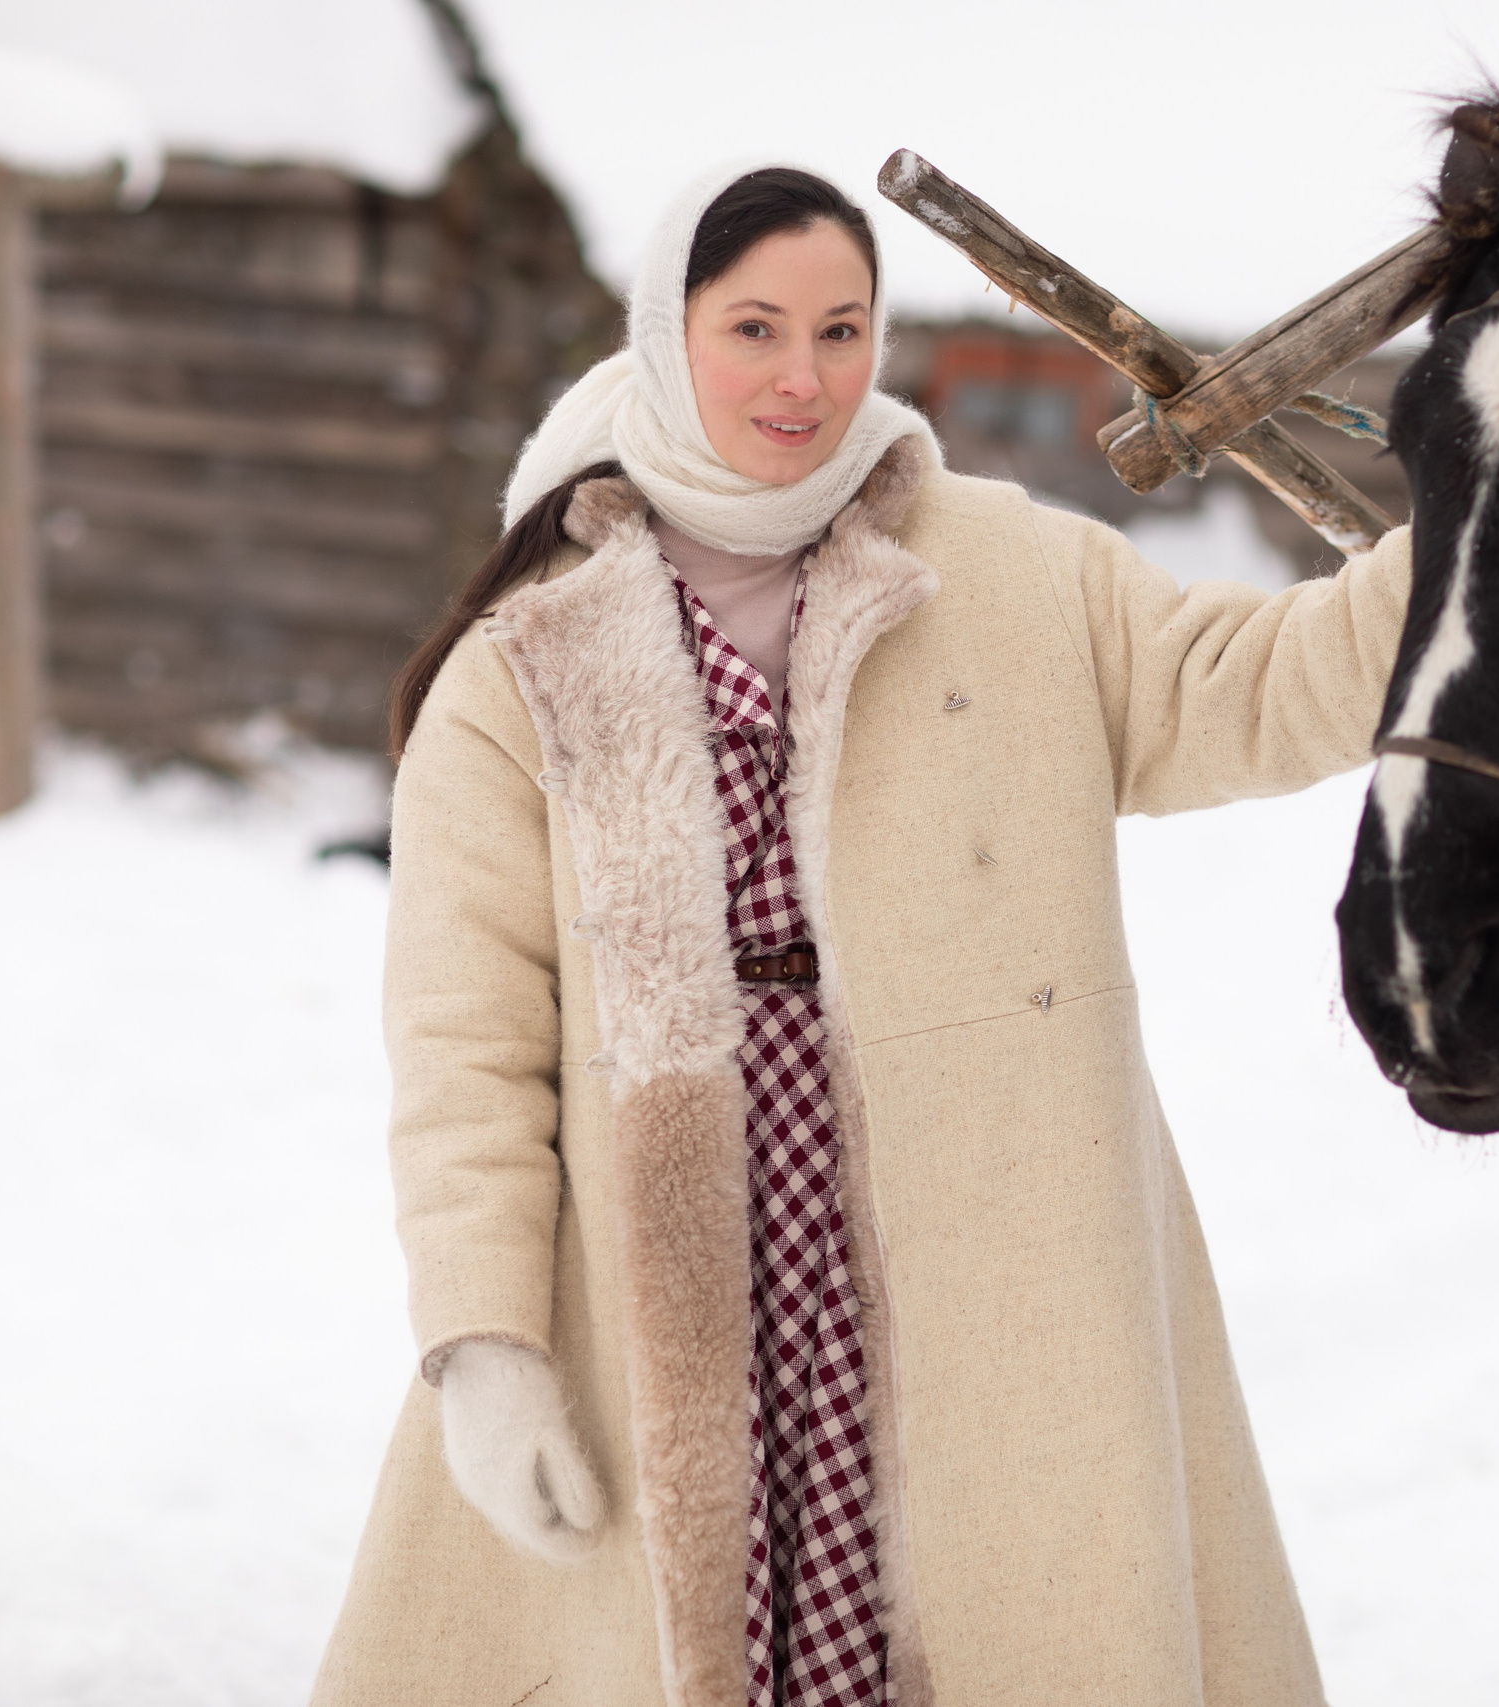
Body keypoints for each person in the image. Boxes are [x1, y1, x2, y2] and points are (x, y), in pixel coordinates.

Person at [310, 161, 1412, 1707]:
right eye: (753, 327)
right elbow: (463, 1048)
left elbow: (1261, 684)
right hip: (662, 1274)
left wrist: (1477, 555)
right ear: (661, 332)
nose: (802, 376)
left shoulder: (1017, 573)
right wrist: (486, 1345)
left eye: (842, 329)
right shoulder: (525, 664)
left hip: (985, 1241)